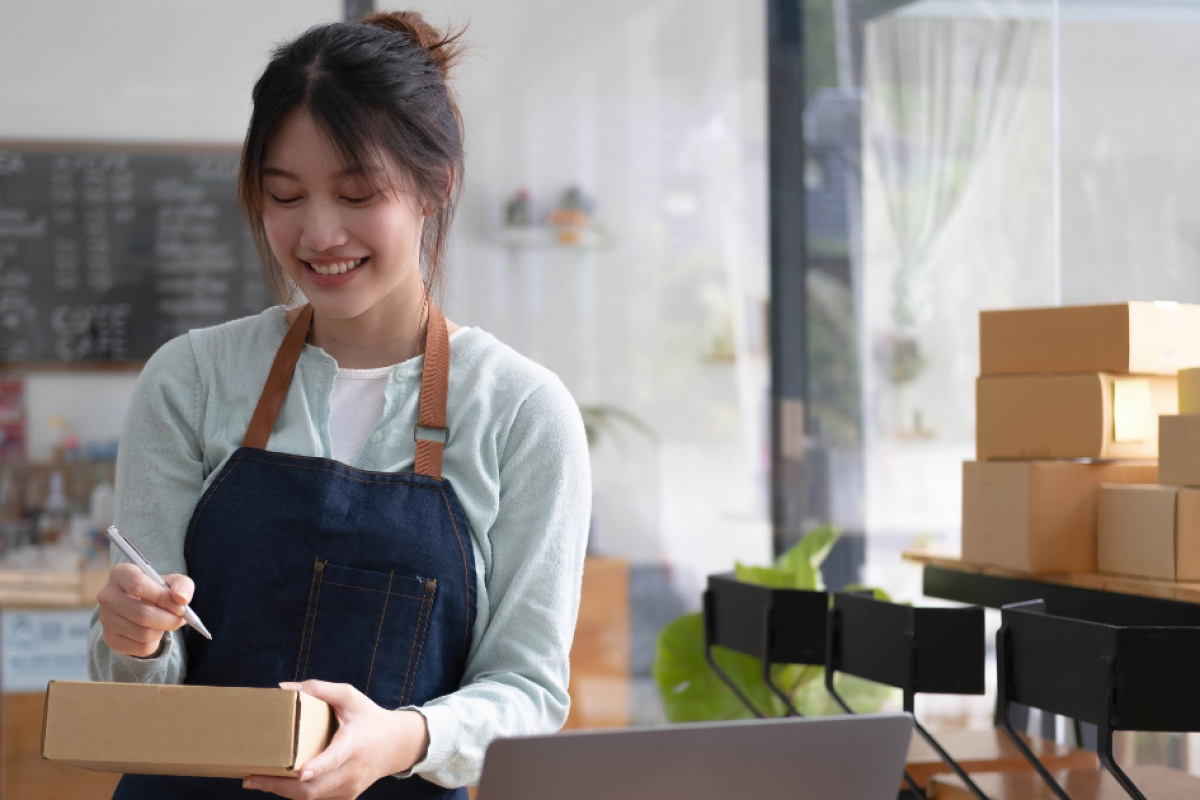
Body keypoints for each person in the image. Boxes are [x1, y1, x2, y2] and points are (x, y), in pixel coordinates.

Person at [86, 11, 591, 800]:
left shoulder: (523, 414)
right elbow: (134, 687)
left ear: (437, 183)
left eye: (357, 194)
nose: (319, 233)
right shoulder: (189, 380)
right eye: (285, 196)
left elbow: (527, 695)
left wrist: (403, 737)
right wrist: (136, 637)